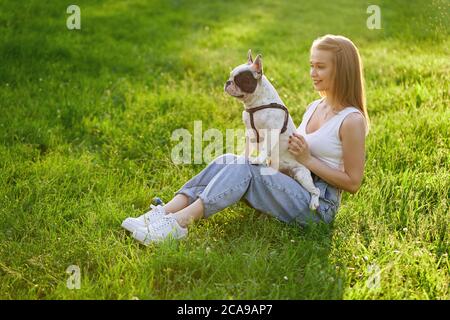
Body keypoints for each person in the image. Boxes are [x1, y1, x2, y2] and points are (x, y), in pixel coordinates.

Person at [121, 34, 370, 245]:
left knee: (245, 167)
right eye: (311, 65)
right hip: (292, 181)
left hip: (319, 207)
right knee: (229, 159)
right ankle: (161, 213)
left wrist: (308, 160)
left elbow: (353, 183)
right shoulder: (315, 106)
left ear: (341, 70)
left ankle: (178, 224)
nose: (312, 73)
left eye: (320, 67)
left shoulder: (351, 120)